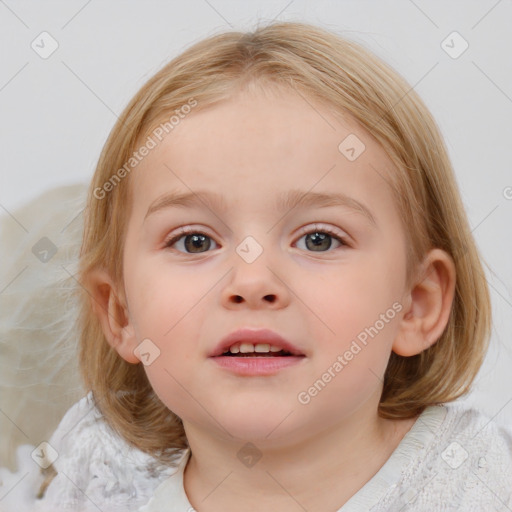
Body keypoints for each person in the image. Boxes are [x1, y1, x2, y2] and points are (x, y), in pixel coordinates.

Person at [1, 20, 511, 512]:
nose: (251, 282)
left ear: (416, 304)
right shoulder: (100, 474)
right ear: (120, 314)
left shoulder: (481, 480)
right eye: (195, 241)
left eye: (318, 239)